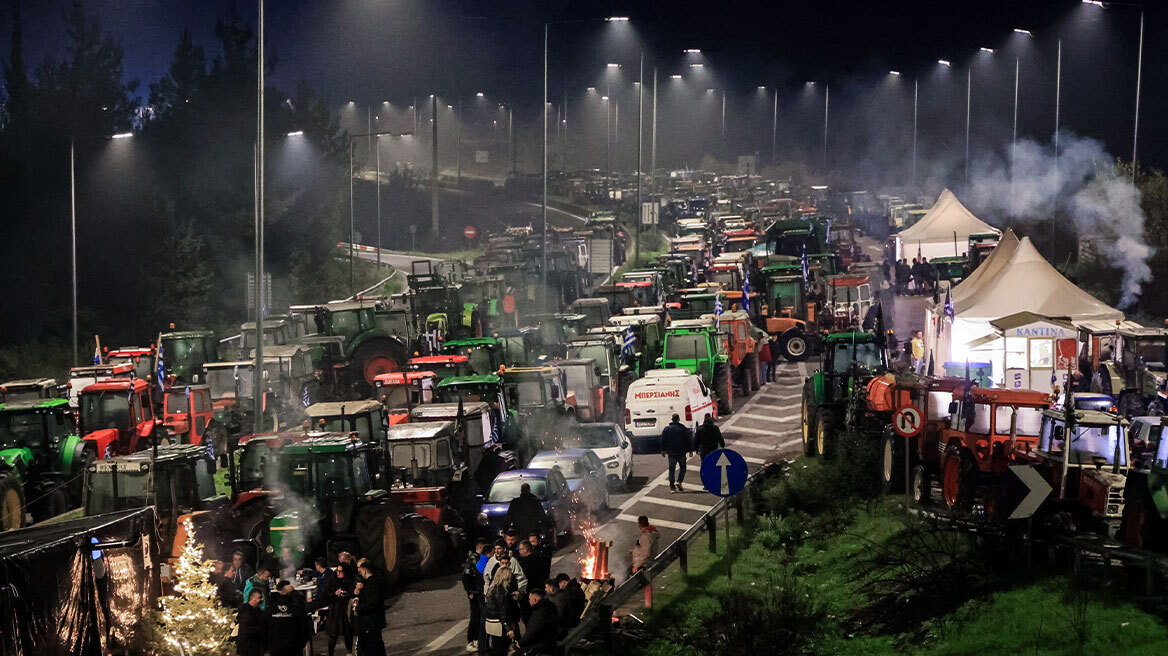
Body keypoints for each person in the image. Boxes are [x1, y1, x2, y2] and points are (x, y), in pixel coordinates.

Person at [481, 556, 520, 656]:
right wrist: (509, 629)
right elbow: (503, 612)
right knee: (501, 650)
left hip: (490, 623)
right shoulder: (502, 593)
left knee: (496, 648)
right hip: (499, 625)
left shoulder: (492, 589)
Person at [268, 580, 311, 656]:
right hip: (294, 648)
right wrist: (301, 645)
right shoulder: (297, 607)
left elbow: (266, 628)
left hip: (276, 649)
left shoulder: (271, 609)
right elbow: (305, 628)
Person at [323, 556, 355, 656]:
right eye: (337, 571)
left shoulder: (350, 578)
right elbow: (326, 593)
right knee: (333, 634)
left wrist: (347, 594)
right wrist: (334, 593)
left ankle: (349, 652)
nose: (338, 573)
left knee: (348, 633)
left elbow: (354, 591)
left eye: (341, 572)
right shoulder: (333, 579)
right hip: (335, 611)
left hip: (346, 610)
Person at [514, 588, 560, 656]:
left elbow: (532, 631)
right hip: (550, 641)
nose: (529, 601)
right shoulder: (549, 606)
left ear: (535, 599)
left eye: (530, 599)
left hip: (543, 644)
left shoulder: (540, 612)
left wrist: (520, 642)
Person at [463, 539, 489, 653]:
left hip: (480, 592)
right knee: (475, 617)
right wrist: (470, 591)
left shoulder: (479, 558)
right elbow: (465, 577)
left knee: (480, 616)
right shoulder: (472, 559)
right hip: (475, 592)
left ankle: (478, 639)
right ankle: (471, 641)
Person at [354, 561, 387, 656]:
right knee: (377, 646)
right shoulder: (373, 581)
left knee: (372, 648)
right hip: (373, 621)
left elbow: (372, 603)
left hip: (371, 621)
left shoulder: (373, 583)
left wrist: (358, 608)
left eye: (360, 569)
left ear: (364, 570)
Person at [660, 413, 693, 492]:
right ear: (678, 419)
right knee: (683, 468)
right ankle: (679, 481)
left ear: (672, 419)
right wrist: (690, 450)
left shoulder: (667, 429)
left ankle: (672, 487)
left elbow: (663, 440)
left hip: (671, 452)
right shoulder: (683, 429)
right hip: (681, 452)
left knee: (672, 469)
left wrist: (663, 450)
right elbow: (688, 440)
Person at [235, 589, 267, 656]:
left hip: (255, 643)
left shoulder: (257, 610)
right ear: (252, 598)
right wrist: (260, 628)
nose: (262, 599)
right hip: (248, 644)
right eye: (260, 597)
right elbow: (246, 628)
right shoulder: (245, 610)